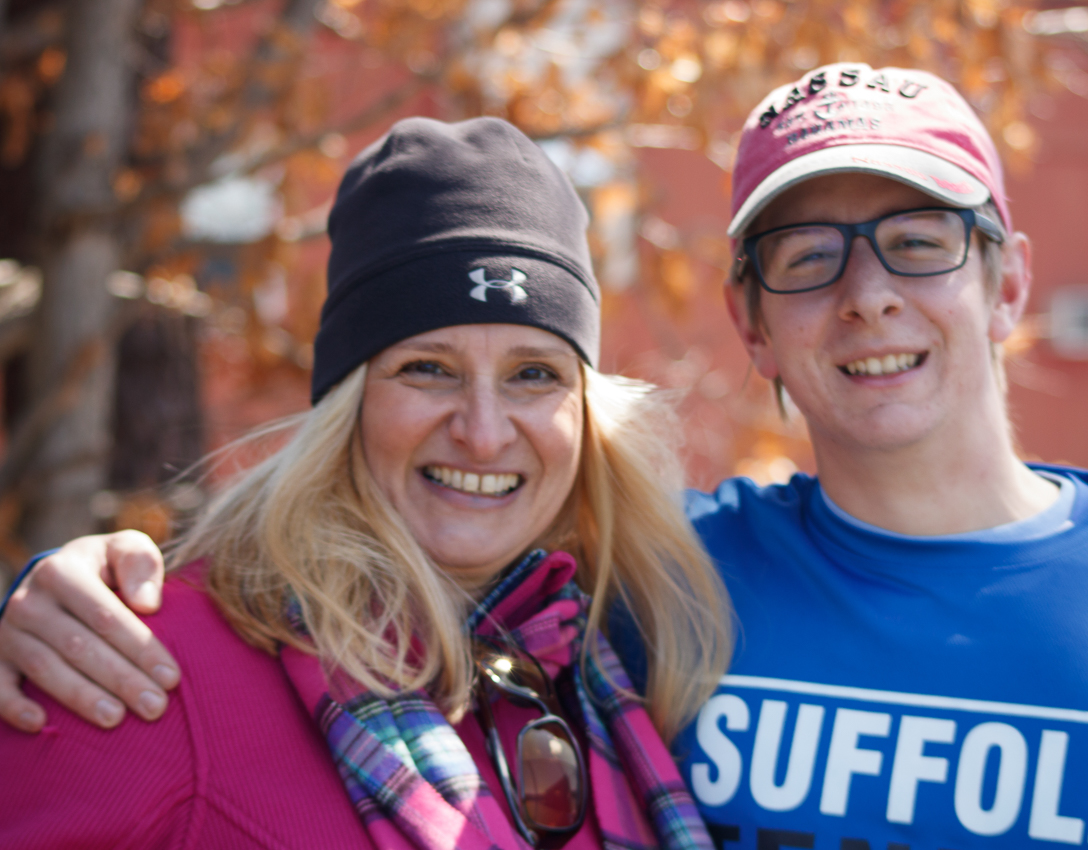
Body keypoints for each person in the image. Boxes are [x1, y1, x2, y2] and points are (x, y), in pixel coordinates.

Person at [5, 62, 1088, 848]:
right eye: (807, 255)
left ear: (1010, 285)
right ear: (751, 322)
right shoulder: (661, 593)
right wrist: (63, 595)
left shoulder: (596, 619)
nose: (869, 295)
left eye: (919, 239)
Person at [0, 116, 732, 850]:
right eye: (427, 368)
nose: (483, 431)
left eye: (532, 374)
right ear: (348, 405)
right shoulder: (140, 668)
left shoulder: (602, 669)